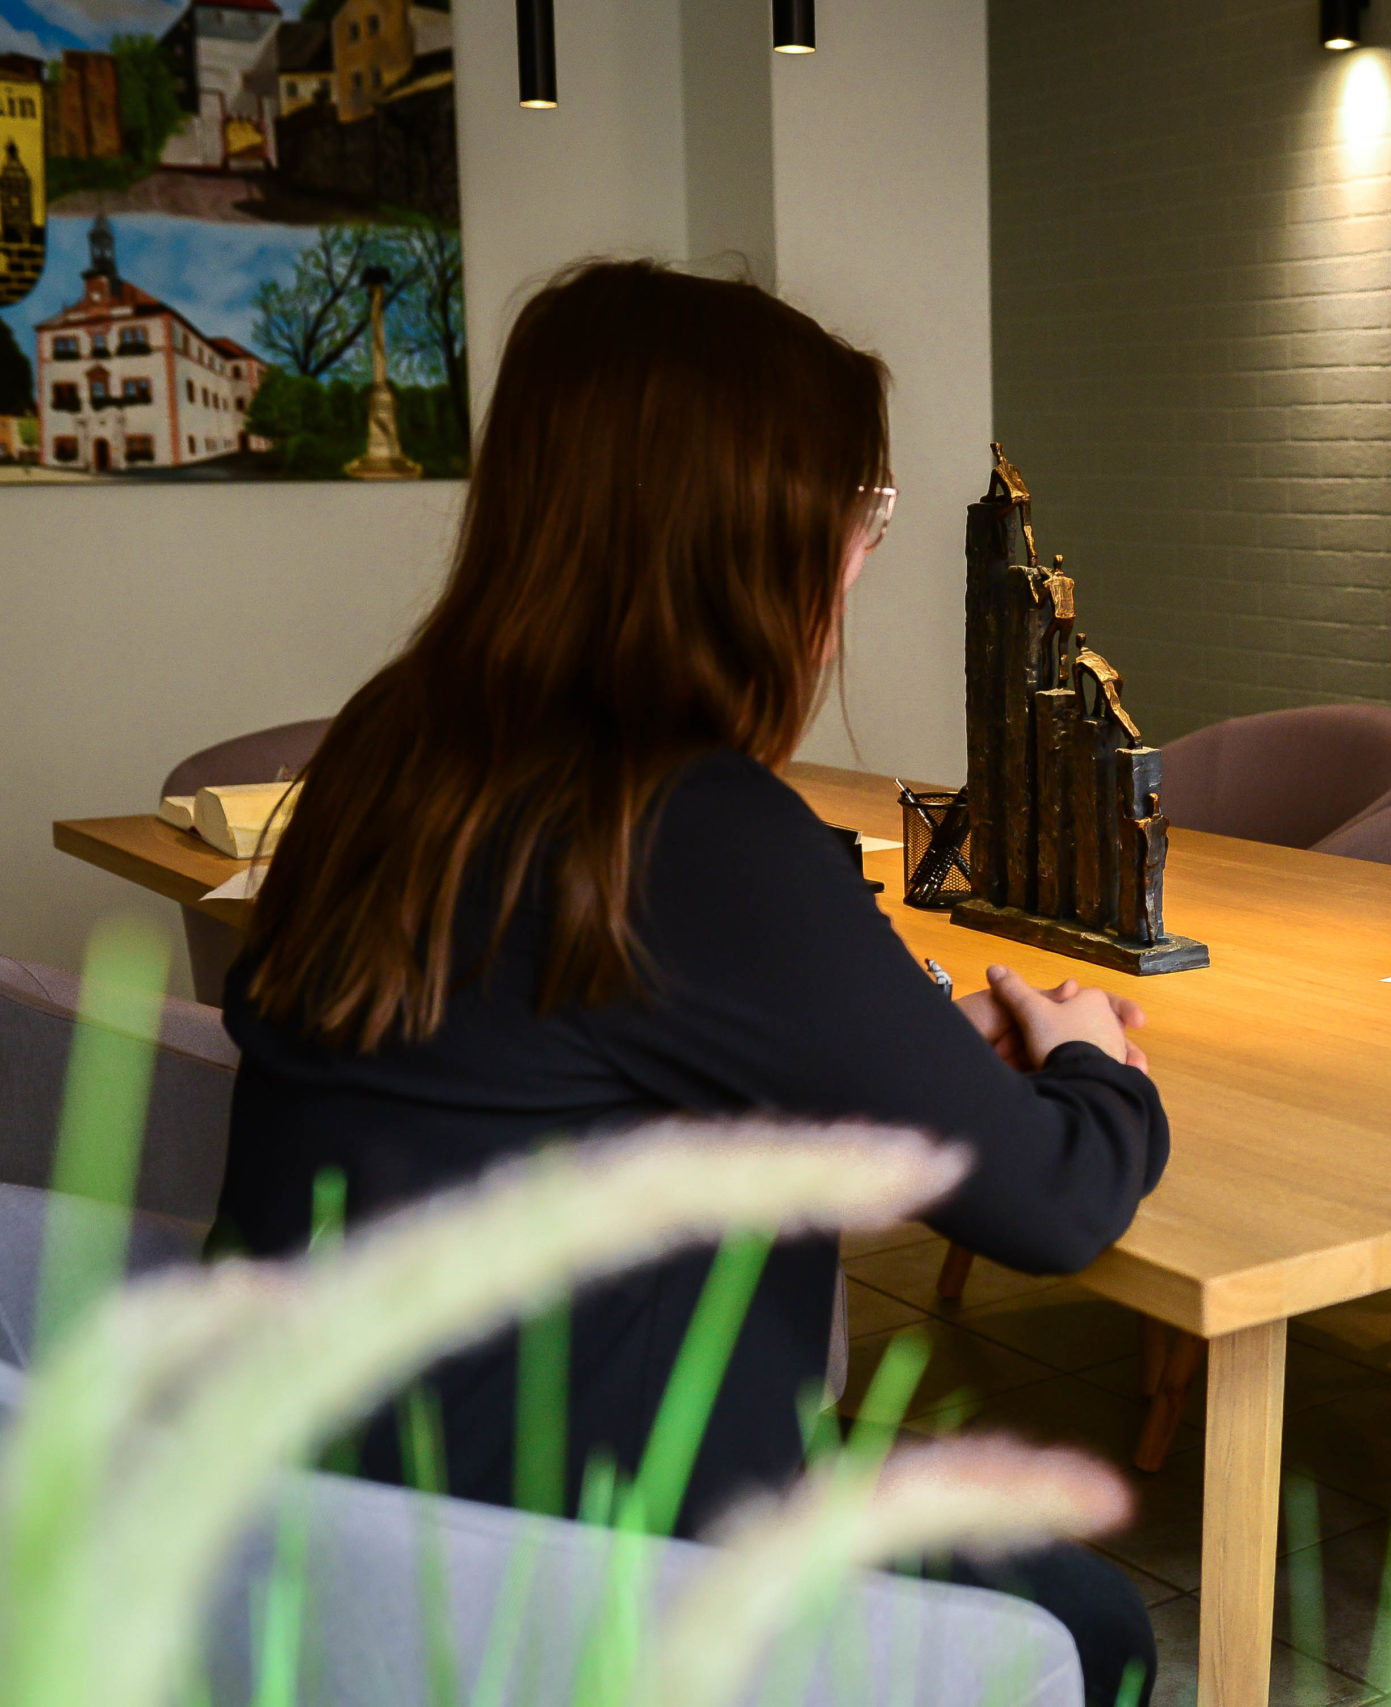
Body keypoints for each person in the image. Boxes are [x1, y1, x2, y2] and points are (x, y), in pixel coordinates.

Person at [219, 261, 1164, 1706]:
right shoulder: (692, 828)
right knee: (1093, 1622)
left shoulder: (393, 746)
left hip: (326, 1529)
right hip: (582, 1579)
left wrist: (878, 1051)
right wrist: (1100, 1061)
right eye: (862, 513)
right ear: (750, 535)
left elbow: (566, 1068)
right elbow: (1052, 1201)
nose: (863, 557)